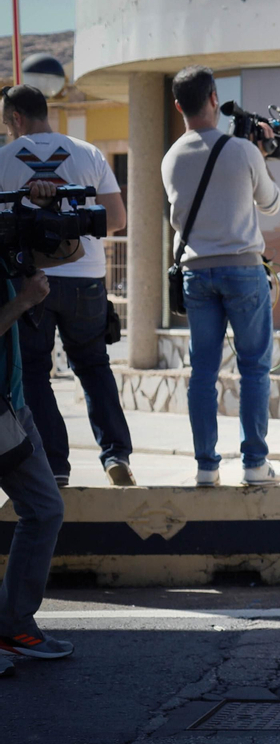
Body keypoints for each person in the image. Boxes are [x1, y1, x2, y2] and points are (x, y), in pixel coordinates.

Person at [0, 85, 135, 488]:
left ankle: (55, 465)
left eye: (6, 123)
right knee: (93, 367)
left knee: (37, 374)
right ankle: (116, 456)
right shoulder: (88, 152)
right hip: (86, 281)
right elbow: (115, 219)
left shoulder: (4, 159)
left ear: (17, 119)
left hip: (29, 283)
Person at [162, 66, 280, 488]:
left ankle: (206, 467)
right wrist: (260, 157)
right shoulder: (243, 151)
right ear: (214, 98)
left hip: (196, 273)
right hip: (243, 270)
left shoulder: (170, 157)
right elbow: (270, 203)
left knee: (203, 372)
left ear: (178, 105)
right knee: (253, 369)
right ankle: (254, 465)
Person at [0, 177, 95, 665]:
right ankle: (15, 624)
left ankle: (16, 624)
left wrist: (52, 206)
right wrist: (23, 302)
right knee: (43, 510)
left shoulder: (4, 235)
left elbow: (70, 253)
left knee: (44, 509)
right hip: (4, 412)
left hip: (12, 407)